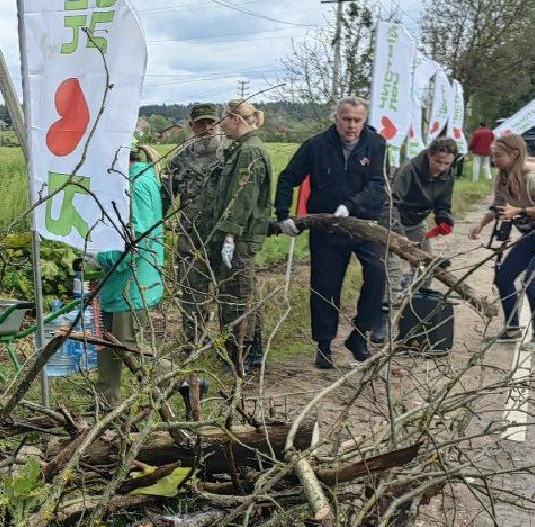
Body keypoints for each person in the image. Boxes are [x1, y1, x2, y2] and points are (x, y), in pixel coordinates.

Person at [275, 96, 388, 370]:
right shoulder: (315, 146)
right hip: (327, 226)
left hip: (364, 224)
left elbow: (377, 185)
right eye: (346, 119)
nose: (351, 125)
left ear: (364, 121)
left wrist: (351, 206)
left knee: (376, 275)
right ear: (336, 119)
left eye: (357, 120)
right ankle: (324, 346)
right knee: (326, 285)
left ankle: (359, 336)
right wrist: (283, 215)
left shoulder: (376, 145)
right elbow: (288, 178)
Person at [469, 133, 535, 352]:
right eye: (492, 155)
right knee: (504, 277)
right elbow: (497, 205)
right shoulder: (502, 178)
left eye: (498, 155)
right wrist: (481, 224)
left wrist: (521, 210)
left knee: (533, 282)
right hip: (533, 232)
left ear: (514, 154)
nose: (494, 160)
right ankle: (512, 329)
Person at [196, 101, 274, 373]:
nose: (220, 126)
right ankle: (251, 354)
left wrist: (230, 233)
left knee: (237, 297)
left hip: (239, 240)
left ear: (234, 119)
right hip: (236, 237)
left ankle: (242, 355)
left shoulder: (250, 152)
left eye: (223, 120)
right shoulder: (242, 149)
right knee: (242, 293)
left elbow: (243, 197)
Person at [94, 142, 165, 407]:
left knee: (126, 345)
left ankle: (179, 379)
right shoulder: (133, 182)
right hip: (119, 280)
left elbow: (137, 238)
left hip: (131, 282)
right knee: (107, 341)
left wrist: (103, 258)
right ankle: (106, 402)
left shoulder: (138, 186)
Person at [161, 103, 224, 345]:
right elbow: (165, 195)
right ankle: (194, 343)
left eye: (211, 122)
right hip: (191, 236)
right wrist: (156, 224)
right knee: (192, 293)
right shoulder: (180, 158)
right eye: (201, 123)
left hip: (223, 236)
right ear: (191, 126)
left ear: (218, 123)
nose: (207, 128)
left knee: (229, 294)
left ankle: (233, 346)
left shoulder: (228, 156)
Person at [385, 137, 458, 298]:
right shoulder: (409, 170)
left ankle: (419, 300)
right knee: (393, 268)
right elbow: (391, 204)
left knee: (426, 265)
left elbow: (443, 204)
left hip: (417, 222)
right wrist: (400, 237)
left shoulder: (449, 174)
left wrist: (443, 218)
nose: (442, 167)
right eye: (439, 161)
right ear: (429, 155)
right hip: (394, 221)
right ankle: (386, 306)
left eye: (447, 164)